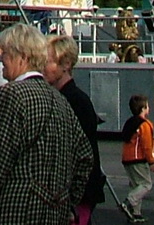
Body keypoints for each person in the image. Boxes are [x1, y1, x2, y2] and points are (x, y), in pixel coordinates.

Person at [0, 23, 92, 225]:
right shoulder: (59, 99)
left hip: (13, 210)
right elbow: (85, 156)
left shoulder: (10, 94)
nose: (0, 59)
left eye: (5, 53)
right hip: (54, 213)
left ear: (22, 57)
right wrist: (67, 200)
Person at [44, 36, 106, 225]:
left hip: (78, 194)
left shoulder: (75, 100)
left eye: (50, 62)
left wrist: (72, 197)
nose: (44, 67)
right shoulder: (62, 97)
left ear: (66, 65)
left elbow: (81, 153)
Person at [118, 94, 154, 223]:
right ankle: (128, 202)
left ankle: (136, 213)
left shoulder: (130, 122)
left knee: (136, 185)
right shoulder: (145, 125)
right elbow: (146, 146)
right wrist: (151, 162)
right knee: (146, 184)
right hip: (138, 159)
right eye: (147, 106)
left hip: (127, 158)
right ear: (143, 108)